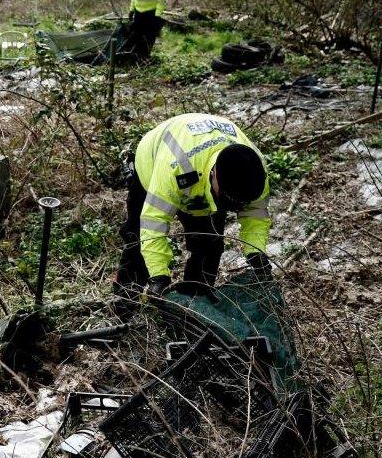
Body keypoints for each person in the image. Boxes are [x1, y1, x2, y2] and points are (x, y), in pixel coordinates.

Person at [114, 113, 272, 315]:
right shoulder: (176, 167)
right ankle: (125, 307)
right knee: (137, 240)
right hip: (153, 163)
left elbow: (256, 217)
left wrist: (256, 254)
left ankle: (193, 309)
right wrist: (159, 276)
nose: (233, 206)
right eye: (227, 199)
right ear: (214, 174)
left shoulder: (255, 172)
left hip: (201, 179)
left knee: (209, 245)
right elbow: (153, 222)